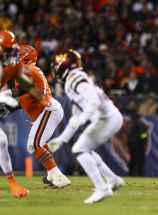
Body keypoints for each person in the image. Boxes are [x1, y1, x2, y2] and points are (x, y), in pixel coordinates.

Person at [48, 50, 125, 203]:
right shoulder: (73, 79)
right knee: (85, 149)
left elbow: (94, 101)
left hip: (107, 118)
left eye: (57, 67)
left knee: (79, 150)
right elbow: (76, 116)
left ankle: (102, 189)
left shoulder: (75, 78)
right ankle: (113, 180)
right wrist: (62, 139)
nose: (55, 70)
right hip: (107, 118)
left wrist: (83, 118)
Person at [0, 30, 49, 198]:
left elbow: (28, 84)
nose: (12, 53)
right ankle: (14, 184)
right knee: (0, 139)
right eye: (8, 50)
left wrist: (43, 100)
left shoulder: (11, 65)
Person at [0, 45, 71, 189]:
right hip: (48, 109)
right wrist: (14, 106)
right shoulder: (29, 70)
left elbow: (27, 87)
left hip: (48, 110)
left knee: (34, 144)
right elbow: (29, 95)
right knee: (40, 143)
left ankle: (59, 177)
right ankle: (52, 174)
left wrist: (6, 94)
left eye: (17, 56)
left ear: (24, 58)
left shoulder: (27, 69)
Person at [127, 110, 148, 176]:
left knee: (132, 161)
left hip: (131, 145)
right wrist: (144, 143)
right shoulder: (140, 123)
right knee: (140, 161)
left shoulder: (130, 123)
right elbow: (143, 134)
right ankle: (141, 175)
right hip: (138, 145)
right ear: (135, 114)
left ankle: (131, 175)